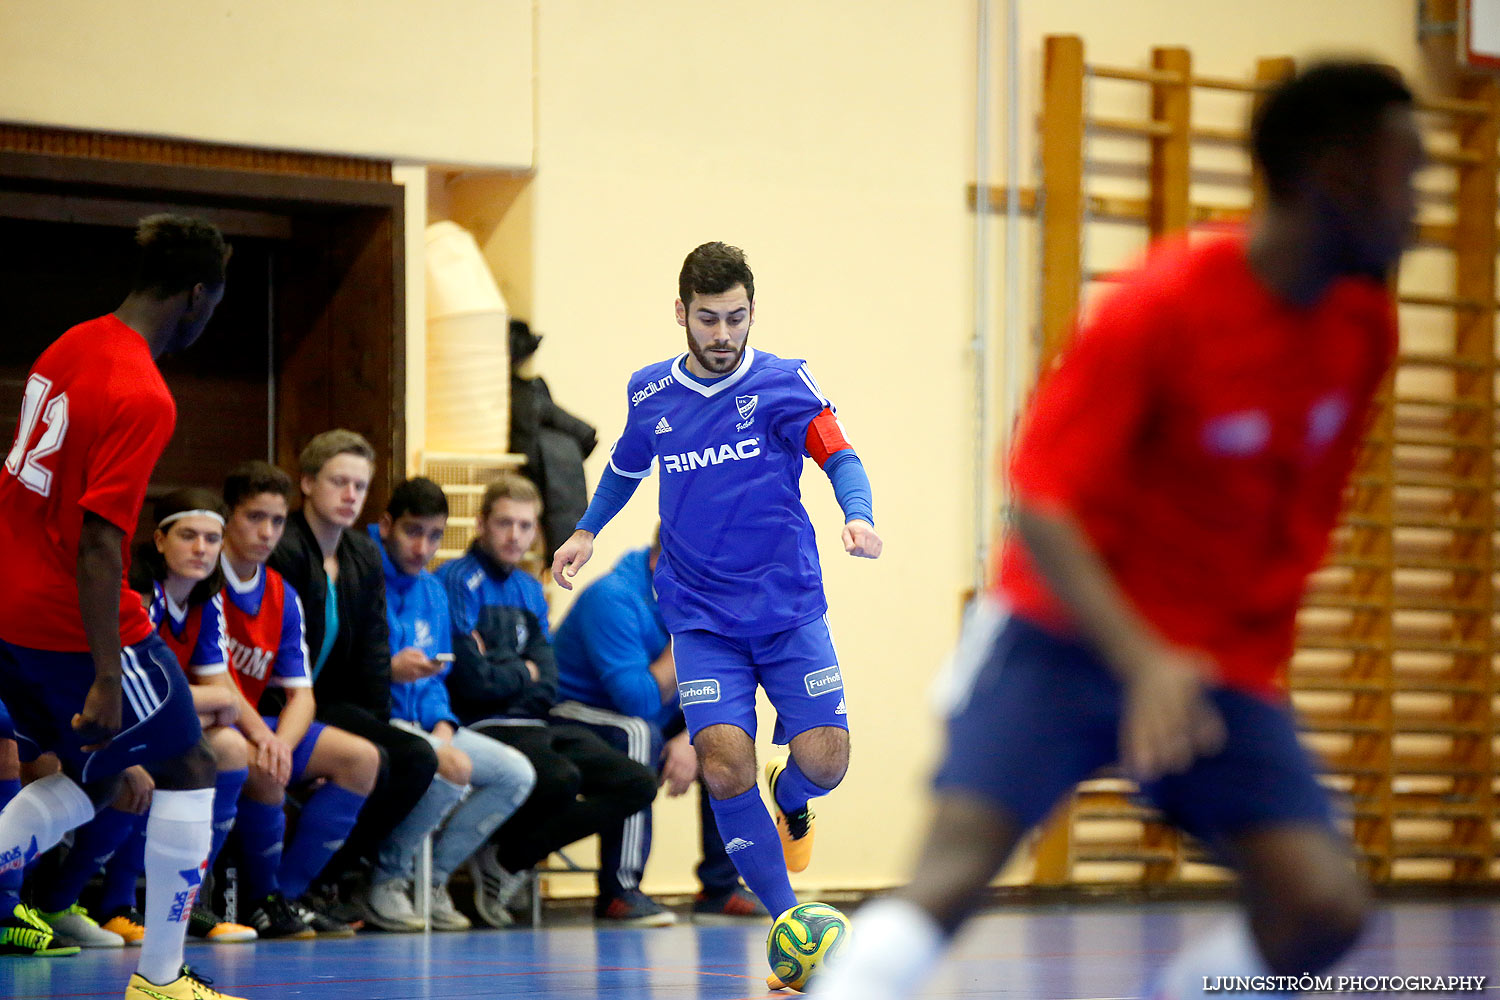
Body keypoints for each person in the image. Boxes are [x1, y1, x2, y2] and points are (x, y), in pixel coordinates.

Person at [811, 62, 1423, 1000]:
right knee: (952, 877)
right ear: (1334, 175)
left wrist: (1223, 668)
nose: (1419, 200)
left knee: (1322, 904)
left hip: (1208, 667)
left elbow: (1281, 528)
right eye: (1404, 171)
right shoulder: (1165, 304)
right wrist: (1141, 659)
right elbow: (1041, 500)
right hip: (1060, 633)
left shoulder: (1364, 329)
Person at [552, 242, 880, 979]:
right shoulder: (650, 394)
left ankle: (791, 797)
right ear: (682, 315)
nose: (723, 334)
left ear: (752, 313)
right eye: (708, 319)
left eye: (736, 318)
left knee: (825, 763)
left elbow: (840, 452)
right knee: (725, 765)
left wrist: (855, 514)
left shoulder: (785, 381)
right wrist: (585, 531)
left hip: (789, 609)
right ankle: (787, 919)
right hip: (701, 619)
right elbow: (625, 468)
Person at [0, 215, 246, 999]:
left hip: (9, 607)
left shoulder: (69, 343)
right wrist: (109, 674)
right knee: (192, 766)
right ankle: (162, 980)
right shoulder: (143, 391)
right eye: (215, 303)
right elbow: (102, 543)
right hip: (68, 622)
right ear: (197, 292)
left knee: (96, 778)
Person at [440, 475, 660, 926]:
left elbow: (548, 678)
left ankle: (505, 859)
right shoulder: (457, 580)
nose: (515, 535)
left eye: (525, 526)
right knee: (560, 776)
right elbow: (471, 681)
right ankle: (505, 858)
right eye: (504, 523)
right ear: (481, 523)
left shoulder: (528, 588)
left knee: (635, 781)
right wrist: (523, 671)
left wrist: (509, 669)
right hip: (482, 726)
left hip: (537, 722)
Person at [267, 430, 439, 926]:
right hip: (280, 704)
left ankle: (328, 877)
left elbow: (372, 656)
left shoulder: (362, 556)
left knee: (409, 759)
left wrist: (375, 726)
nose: (350, 496)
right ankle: (290, 885)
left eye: (360, 487)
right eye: (339, 482)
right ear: (306, 483)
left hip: (334, 704)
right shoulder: (285, 548)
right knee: (384, 758)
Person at [552, 528, 766, 923]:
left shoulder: (692, 602)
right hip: (572, 713)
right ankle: (620, 891)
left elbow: (723, 687)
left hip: (646, 709)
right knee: (640, 735)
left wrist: (692, 737)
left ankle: (720, 889)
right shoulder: (613, 598)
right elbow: (638, 702)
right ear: (665, 562)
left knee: (727, 739)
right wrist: (682, 637)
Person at [217, 461, 379, 939]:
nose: (267, 532)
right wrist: (269, 742)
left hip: (261, 723)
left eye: (277, 521)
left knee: (361, 759)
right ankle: (258, 899)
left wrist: (281, 743)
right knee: (266, 771)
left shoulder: (281, 594)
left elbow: (301, 694)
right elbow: (217, 678)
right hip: (211, 717)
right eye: (254, 518)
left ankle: (285, 895)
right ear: (228, 517)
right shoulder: (208, 580)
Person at [367, 476, 537, 930]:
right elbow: (346, 666)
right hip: (379, 718)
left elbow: (440, 676)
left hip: (428, 721)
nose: (423, 547)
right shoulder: (362, 574)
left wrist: (443, 723)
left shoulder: (433, 591)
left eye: (435, 535)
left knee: (515, 773)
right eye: (413, 532)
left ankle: (435, 880)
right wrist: (389, 669)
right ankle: (387, 878)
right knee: (450, 768)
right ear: (387, 526)